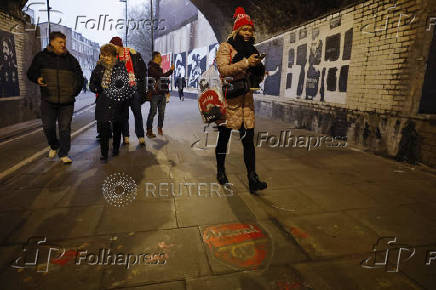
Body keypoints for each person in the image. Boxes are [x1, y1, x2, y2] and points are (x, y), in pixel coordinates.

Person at [215, 7, 267, 194]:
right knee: (224, 138)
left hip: (247, 101)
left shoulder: (253, 50)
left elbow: (255, 76)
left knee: (248, 141)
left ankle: (252, 177)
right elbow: (223, 70)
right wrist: (245, 63)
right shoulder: (226, 47)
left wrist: (258, 69)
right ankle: (220, 171)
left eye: (250, 30)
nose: (248, 33)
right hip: (230, 101)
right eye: (244, 29)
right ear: (237, 30)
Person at [27, 31, 84, 164]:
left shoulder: (71, 60)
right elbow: (30, 73)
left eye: (64, 42)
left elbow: (80, 77)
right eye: (60, 42)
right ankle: (54, 145)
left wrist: (73, 92)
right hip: (48, 99)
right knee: (48, 127)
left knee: (65, 127)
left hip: (67, 101)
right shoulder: (41, 57)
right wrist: (37, 78)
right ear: (52, 42)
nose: (63, 45)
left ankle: (64, 153)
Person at [89, 44, 131, 161]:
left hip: (117, 101)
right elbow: (91, 84)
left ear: (114, 56)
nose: (105, 58)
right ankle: (104, 153)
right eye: (103, 55)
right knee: (103, 127)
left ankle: (116, 148)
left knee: (117, 126)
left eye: (108, 55)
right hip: (102, 101)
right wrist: (97, 89)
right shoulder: (98, 68)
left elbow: (125, 84)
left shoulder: (120, 67)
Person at [109, 37, 147, 146]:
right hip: (121, 90)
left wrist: (141, 86)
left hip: (133, 87)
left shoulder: (132, 53)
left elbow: (142, 69)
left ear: (119, 45)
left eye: (113, 46)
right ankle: (125, 136)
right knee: (123, 115)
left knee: (137, 113)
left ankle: (140, 136)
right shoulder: (113, 57)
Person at [146, 51, 174, 137]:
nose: (161, 58)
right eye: (160, 57)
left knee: (161, 112)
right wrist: (170, 71)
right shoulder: (151, 68)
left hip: (162, 94)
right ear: (155, 57)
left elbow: (162, 81)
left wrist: (167, 92)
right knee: (153, 112)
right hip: (154, 94)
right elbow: (161, 77)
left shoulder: (159, 68)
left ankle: (160, 128)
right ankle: (149, 130)